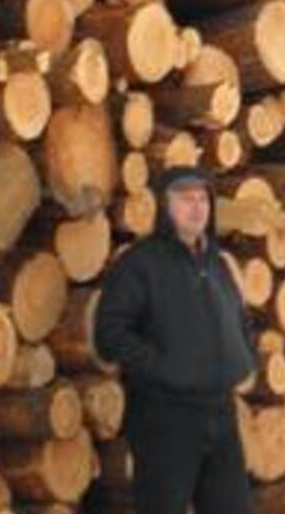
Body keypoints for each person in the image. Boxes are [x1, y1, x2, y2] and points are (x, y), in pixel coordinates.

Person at [93, 165, 257, 514]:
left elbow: (241, 319)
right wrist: (165, 369)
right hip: (165, 419)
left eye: (203, 199)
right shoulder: (140, 264)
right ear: (164, 207)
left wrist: (244, 356)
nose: (197, 208)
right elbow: (109, 334)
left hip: (220, 413)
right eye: (185, 200)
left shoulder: (219, 264)